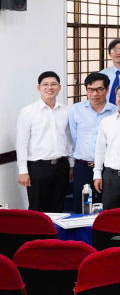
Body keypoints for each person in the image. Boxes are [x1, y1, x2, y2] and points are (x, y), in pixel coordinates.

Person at [16, 72, 73, 212]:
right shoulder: (28, 111)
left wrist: (71, 165)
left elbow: (69, 139)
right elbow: (22, 142)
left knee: (58, 208)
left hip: (61, 166)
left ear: (59, 87)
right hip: (37, 168)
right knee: (37, 208)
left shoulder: (66, 111)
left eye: (53, 84)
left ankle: (54, 228)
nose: (50, 87)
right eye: (45, 84)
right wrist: (23, 171)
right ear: (39, 88)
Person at [68, 73, 116, 213]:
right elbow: (73, 138)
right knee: (81, 207)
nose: (95, 94)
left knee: (106, 207)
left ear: (107, 89)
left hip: (107, 168)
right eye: (90, 89)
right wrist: (72, 165)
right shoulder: (76, 109)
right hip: (83, 166)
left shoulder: (115, 111)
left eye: (99, 89)